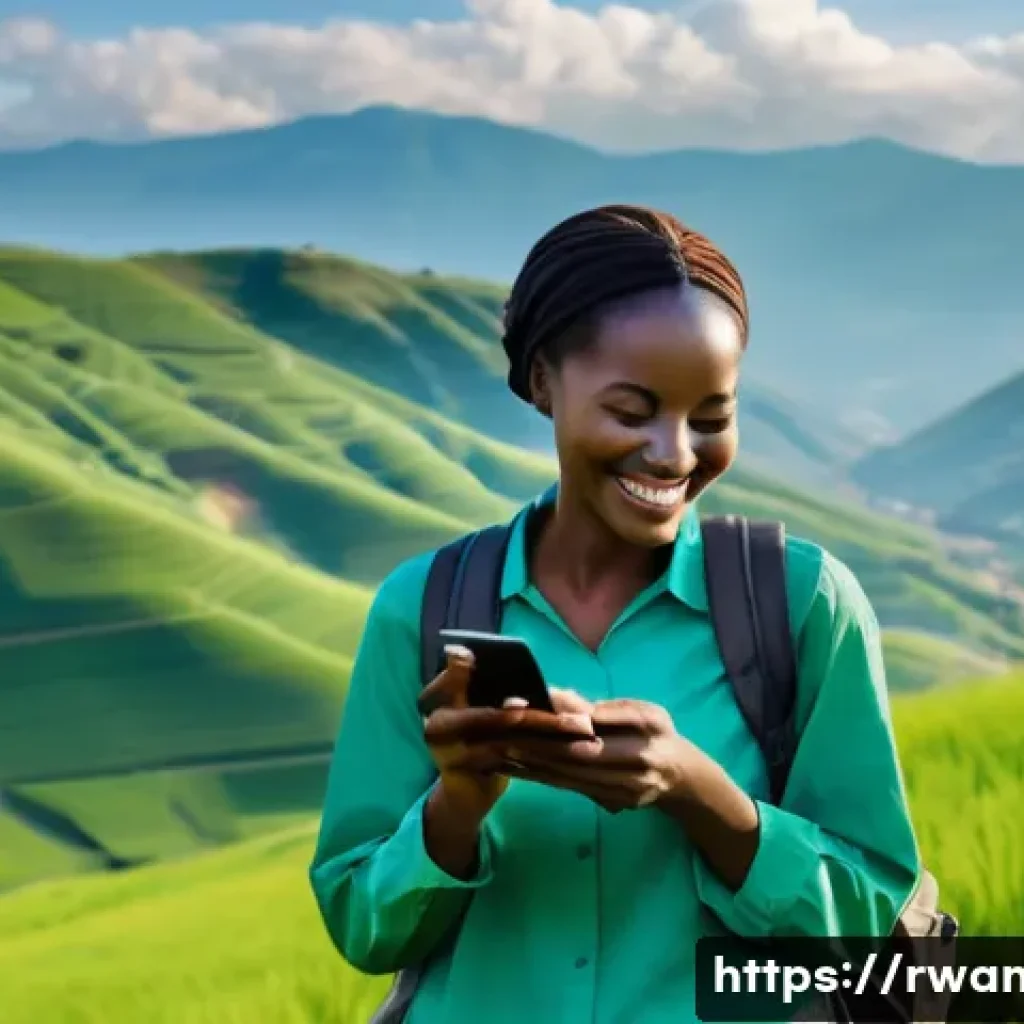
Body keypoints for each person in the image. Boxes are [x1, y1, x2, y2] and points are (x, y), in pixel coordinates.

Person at [308, 205, 922, 1024]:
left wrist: (698, 791)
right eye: (632, 413)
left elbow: (871, 921)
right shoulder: (420, 611)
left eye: (711, 418)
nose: (674, 453)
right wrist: (459, 800)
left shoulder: (805, 607)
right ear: (540, 383)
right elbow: (362, 925)